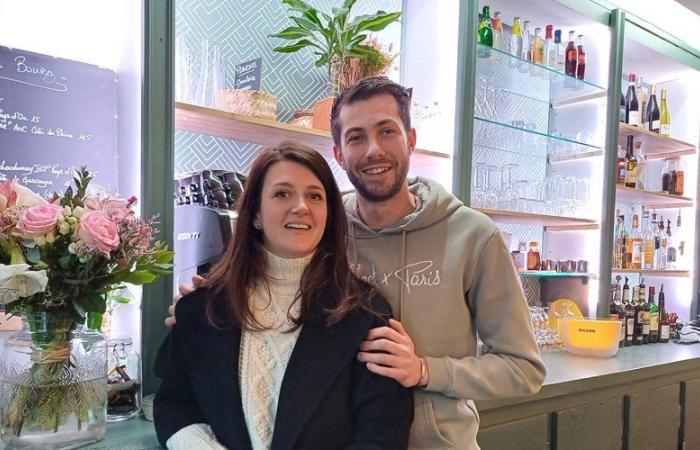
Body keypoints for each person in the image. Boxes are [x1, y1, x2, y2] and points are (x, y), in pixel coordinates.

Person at [171, 77, 546, 450]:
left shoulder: (474, 236)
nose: (373, 150)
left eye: (387, 132)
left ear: (410, 140)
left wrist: (425, 370)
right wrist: (208, 303)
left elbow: (524, 370)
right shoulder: (322, 226)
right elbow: (266, 283)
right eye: (356, 137)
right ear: (338, 153)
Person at [154, 142, 413, 450]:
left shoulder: (366, 313)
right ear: (256, 215)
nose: (301, 206)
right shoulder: (202, 307)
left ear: (329, 215)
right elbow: (174, 404)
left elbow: (383, 434)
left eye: (315, 196)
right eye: (282, 193)